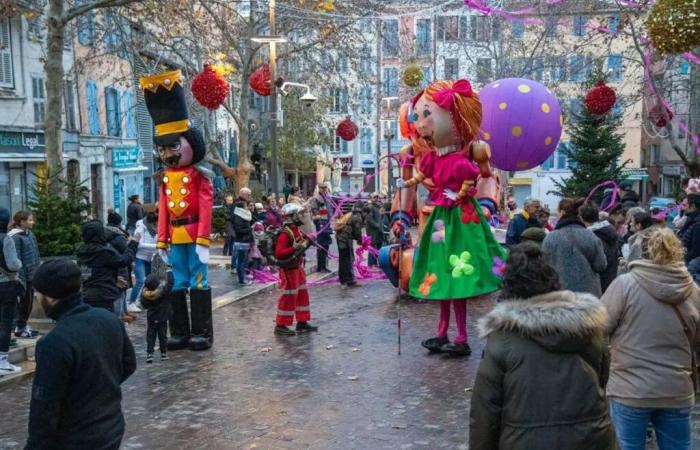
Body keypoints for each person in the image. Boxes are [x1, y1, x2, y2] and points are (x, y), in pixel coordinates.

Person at [470, 243, 616, 450]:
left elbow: (485, 410)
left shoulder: (502, 339)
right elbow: (602, 378)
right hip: (591, 438)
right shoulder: (589, 330)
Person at [601, 228, 700, 450]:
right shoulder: (692, 289)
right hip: (677, 388)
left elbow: (600, 327)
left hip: (630, 389)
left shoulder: (624, 285)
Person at [26, 258, 136, 449]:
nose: (36, 297)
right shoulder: (109, 320)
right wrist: (99, 389)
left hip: (75, 438)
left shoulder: (54, 342)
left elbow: (44, 408)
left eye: (38, 293)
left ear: (50, 297)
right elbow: (129, 364)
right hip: (111, 427)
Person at [542, 197, 607, 296]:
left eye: (558, 211)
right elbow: (601, 265)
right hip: (588, 297)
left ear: (562, 213)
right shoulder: (591, 236)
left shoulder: (550, 238)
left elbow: (544, 268)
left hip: (559, 295)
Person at [76, 220, 138, 313]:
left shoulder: (83, 252)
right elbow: (124, 260)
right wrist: (133, 244)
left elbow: (92, 272)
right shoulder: (104, 252)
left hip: (87, 295)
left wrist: (113, 277)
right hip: (104, 295)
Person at [274, 203, 316, 336]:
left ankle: (302, 322)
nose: (301, 216)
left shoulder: (296, 229)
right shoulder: (285, 233)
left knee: (302, 295)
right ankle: (280, 325)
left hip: (297, 268)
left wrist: (309, 241)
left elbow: (302, 244)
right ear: (292, 216)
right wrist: (295, 248)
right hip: (289, 270)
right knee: (288, 296)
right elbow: (279, 253)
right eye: (299, 214)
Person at [8, 211, 40, 339]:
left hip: (32, 276)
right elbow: (16, 259)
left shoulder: (30, 234)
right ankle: (19, 327)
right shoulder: (15, 237)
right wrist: (21, 279)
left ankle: (22, 326)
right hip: (23, 278)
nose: (33, 222)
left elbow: (36, 254)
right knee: (23, 303)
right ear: (21, 221)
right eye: (30, 220)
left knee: (29, 303)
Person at [580, 202, 620, 293]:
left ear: (581, 218)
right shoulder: (607, 231)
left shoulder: (593, 237)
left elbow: (599, 264)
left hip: (598, 286)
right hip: (610, 282)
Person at [0, 207, 22, 375]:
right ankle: (2, 360)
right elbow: (13, 264)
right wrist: (20, 263)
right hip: (6, 284)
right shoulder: (6, 239)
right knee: (6, 322)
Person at [140, 254, 172, 363]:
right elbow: (171, 283)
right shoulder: (163, 291)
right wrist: (169, 271)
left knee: (151, 335)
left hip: (152, 317)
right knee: (163, 336)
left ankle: (150, 354)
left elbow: (143, 304)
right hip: (162, 316)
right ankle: (163, 354)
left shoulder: (145, 294)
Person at [129, 211, 158, 311]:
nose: (157, 225)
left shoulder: (156, 228)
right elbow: (139, 244)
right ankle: (131, 303)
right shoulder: (141, 228)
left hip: (150, 258)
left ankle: (143, 301)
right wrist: (156, 246)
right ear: (152, 222)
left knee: (150, 282)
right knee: (140, 281)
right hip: (140, 257)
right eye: (156, 223)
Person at [334, 204, 363, 287]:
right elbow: (357, 231)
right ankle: (350, 280)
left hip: (340, 238)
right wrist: (360, 240)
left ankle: (343, 279)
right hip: (345, 239)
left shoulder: (349, 214)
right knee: (348, 258)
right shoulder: (357, 217)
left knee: (343, 259)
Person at [308, 182, 333, 273]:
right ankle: (321, 266)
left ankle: (324, 265)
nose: (324, 190)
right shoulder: (316, 199)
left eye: (325, 188)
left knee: (326, 245)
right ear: (320, 189)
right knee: (321, 245)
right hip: (321, 225)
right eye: (323, 188)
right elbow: (315, 211)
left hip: (327, 223)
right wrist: (320, 219)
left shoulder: (327, 198)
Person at [231, 197, 253, 285]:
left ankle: (242, 278)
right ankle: (241, 280)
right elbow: (239, 230)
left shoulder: (243, 215)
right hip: (241, 241)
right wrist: (250, 229)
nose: (247, 207)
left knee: (243, 261)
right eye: (245, 206)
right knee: (241, 261)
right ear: (241, 208)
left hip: (244, 241)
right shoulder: (238, 217)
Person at [364, 193, 384, 266]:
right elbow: (369, 219)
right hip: (372, 231)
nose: (376, 199)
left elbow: (380, 217)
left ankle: (376, 263)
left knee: (378, 248)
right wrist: (377, 225)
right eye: (374, 197)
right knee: (372, 248)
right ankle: (370, 264)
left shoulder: (378, 207)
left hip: (378, 231)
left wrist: (382, 214)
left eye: (377, 197)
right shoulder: (370, 207)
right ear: (371, 198)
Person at [680, 192, 700, 263]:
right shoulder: (690, 219)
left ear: (693, 206)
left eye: (685, 205)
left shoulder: (697, 224)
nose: (683, 208)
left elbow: (696, 252)